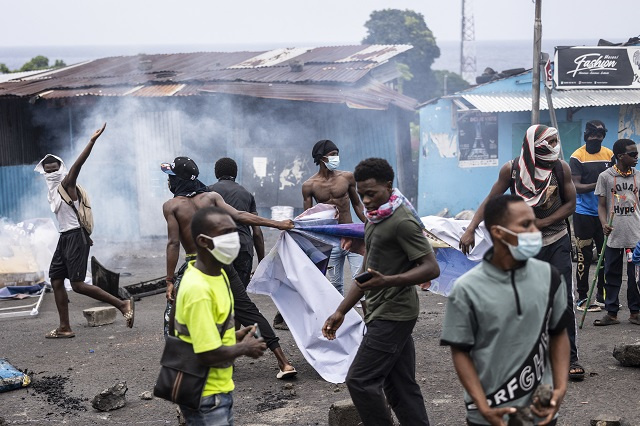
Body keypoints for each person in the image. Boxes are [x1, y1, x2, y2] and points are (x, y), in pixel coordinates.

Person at [459, 124, 583, 381]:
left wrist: (543, 222)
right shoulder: (512, 170)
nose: (548, 155)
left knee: (563, 300)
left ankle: (569, 357)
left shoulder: (560, 169)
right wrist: (471, 228)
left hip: (556, 239)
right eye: (542, 151)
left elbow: (570, 204)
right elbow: (491, 200)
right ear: (530, 148)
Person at [322, 158, 440, 426]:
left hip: (394, 313)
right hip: (379, 310)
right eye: (361, 194)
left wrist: (388, 280)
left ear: (389, 186)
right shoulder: (376, 218)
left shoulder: (401, 221)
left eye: (371, 193)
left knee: (360, 380)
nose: (366, 200)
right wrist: (341, 310)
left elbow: (430, 267)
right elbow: (366, 272)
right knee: (400, 388)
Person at [162, 156, 297, 379]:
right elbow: (241, 216)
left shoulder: (172, 206)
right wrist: (278, 223)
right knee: (247, 310)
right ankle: (284, 363)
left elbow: (173, 243)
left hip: (198, 267)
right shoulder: (212, 197)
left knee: (177, 316)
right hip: (223, 263)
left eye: (171, 177)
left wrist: (169, 281)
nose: (169, 182)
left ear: (178, 181)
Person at [442, 194, 570, 426]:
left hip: (540, 413)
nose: (535, 230)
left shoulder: (550, 277)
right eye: (525, 225)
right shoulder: (467, 289)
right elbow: (460, 352)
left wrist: (560, 388)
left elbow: (558, 333)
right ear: (498, 232)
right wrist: (483, 406)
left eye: (533, 222)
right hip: (489, 414)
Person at [34, 123, 134, 338]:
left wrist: (91, 141)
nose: (51, 173)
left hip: (75, 237)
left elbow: (77, 166)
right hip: (65, 237)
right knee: (56, 279)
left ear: (61, 170)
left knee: (78, 285)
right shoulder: (52, 191)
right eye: (48, 170)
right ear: (43, 172)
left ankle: (122, 304)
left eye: (54, 170)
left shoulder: (67, 183)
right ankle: (64, 327)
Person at [174, 206, 267, 425]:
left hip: (214, 389)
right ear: (203, 241)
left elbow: (202, 333)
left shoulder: (219, 274)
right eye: (224, 233)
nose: (233, 239)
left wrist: (233, 335)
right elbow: (206, 353)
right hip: (205, 394)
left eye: (234, 232)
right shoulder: (198, 289)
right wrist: (245, 348)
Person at [302, 139, 367, 295]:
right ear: (322, 158)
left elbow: (357, 205)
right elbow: (311, 218)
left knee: (363, 280)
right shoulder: (309, 185)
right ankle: (340, 318)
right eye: (332, 154)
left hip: (352, 234)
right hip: (330, 239)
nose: (336, 158)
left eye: (337, 154)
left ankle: (369, 319)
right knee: (334, 285)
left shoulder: (347, 177)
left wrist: (370, 225)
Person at [593, 139, 640, 326]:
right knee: (611, 274)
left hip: (635, 235)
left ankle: (635, 313)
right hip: (613, 235)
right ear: (621, 156)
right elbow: (601, 206)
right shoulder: (605, 176)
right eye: (633, 154)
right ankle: (611, 313)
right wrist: (604, 223)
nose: (637, 157)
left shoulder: (638, 176)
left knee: (635, 277)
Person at [570, 120, 613, 312]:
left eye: (600, 135)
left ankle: (602, 297)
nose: (596, 138)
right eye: (593, 135)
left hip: (605, 215)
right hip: (584, 214)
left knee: (605, 257)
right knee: (583, 258)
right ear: (586, 136)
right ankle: (582, 297)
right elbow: (575, 187)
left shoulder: (609, 154)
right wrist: (600, 183)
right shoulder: (577, 156)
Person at [207, 157, 264, 287]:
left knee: (217, 292)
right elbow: (257, 232)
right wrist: (261, 263)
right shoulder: (247, 194)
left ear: (216, 173)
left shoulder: (208, 191)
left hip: (217, 247)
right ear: (235, 173)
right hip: (243, 248)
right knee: (239, 295)